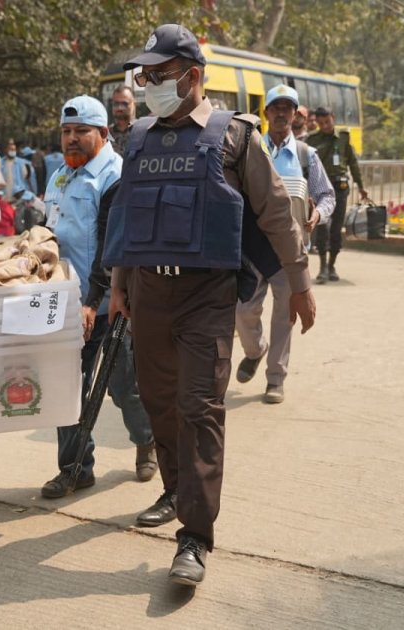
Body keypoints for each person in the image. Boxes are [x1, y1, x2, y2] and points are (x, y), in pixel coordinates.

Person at [103, 24, 316, 586]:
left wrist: (299, 282)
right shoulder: (138, 138)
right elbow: (127, 217)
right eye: (144, 76)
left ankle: (194, 537)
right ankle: (175, 490)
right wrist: (119, 285)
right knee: (159, 402)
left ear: (192, 76)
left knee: (199, 407)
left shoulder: (235, 136)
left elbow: (276, 212)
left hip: (207, 295)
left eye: (159, 74)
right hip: (148, 292)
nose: (148, 84)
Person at [39, 95, 158, 502]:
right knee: (67, 387)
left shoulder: (115, 176)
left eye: (80, 131)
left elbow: (112, 245)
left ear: (104, 133)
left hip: (112, 303)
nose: (71, 139)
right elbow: (49, 232)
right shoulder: (60, 175)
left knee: (123, 387)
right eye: (66, 132)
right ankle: (75, 469)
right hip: (66, 302)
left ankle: (146, 440)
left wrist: (92, 302)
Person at [235, 85, 334, 404]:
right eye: (275, 108)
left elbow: (326, 195)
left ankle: (275, 378)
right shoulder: (251, 149)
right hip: (253, 248)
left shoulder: (306, 156)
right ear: (266, 113)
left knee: (284, 315)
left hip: (290, 253)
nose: (281, 113)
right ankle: (255, 350)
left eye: (287, 108)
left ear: (295, 114)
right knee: (243, 311)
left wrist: (317, 214)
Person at [307, 106, 368, 284]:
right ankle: (322, 267)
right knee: (322, 226)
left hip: (340, 187)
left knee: (336, 228)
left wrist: (361, 186)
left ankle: (332, 265)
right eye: (321, 123)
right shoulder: (313, 140)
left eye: (327, 121)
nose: (325, 126)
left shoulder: (343, 138)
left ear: (333, 118)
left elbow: (353, 163)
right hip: (321, 188)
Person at [108, 84, 137, 156]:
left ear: (134, 104)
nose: (119, 108)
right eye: (116, 104)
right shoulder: (105, 134)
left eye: (124, 104)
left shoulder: (144, 132)